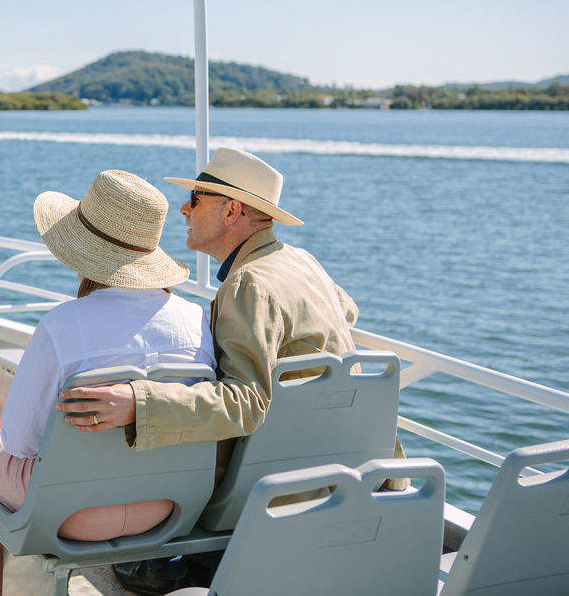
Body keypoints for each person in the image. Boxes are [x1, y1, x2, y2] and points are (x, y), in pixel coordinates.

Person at [55, 148, 405, 593]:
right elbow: (346, 312)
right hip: (336, 465)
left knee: (145, 420)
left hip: (263, 483)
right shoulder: (300, 261)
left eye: (196, 198)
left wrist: (137, 402)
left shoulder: (248, 284)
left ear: (232, 210)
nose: (184, 208)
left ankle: (169, 557)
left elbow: (246, 403)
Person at [0, 170, 216, 596]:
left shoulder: (62, 325)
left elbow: (21, 442)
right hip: (166, 509)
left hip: (69, 516)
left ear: (84, 249)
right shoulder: (198, 322)